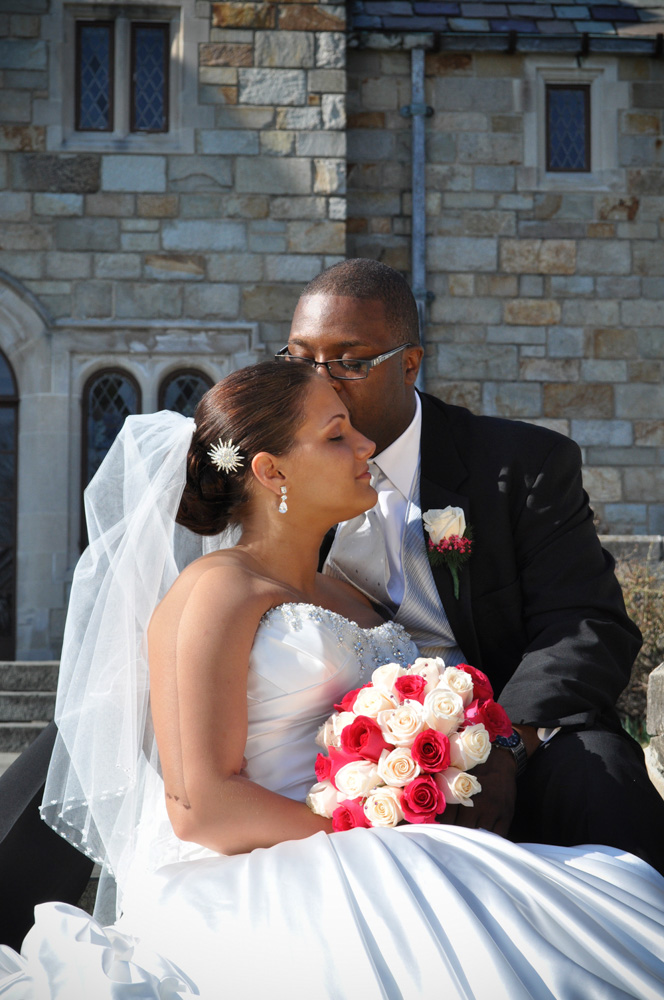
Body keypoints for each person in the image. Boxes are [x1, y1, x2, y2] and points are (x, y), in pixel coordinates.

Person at [0, 361, 663, 999]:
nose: (366, 446)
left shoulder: (350, 592)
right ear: (271, 471)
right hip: (272, 865)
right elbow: (200, 805)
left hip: (388, 838)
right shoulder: (216, 591)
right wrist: (365, 828)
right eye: (337, 435)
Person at [283, 257, 664, 871]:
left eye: (349, 361)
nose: (320, 382)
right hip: (346, 757)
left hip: (519, 733)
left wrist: (505, 745)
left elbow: (586, 624)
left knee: (605, 782)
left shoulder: (521, 466)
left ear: (409, 363)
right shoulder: (279, 473)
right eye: (302, 359)